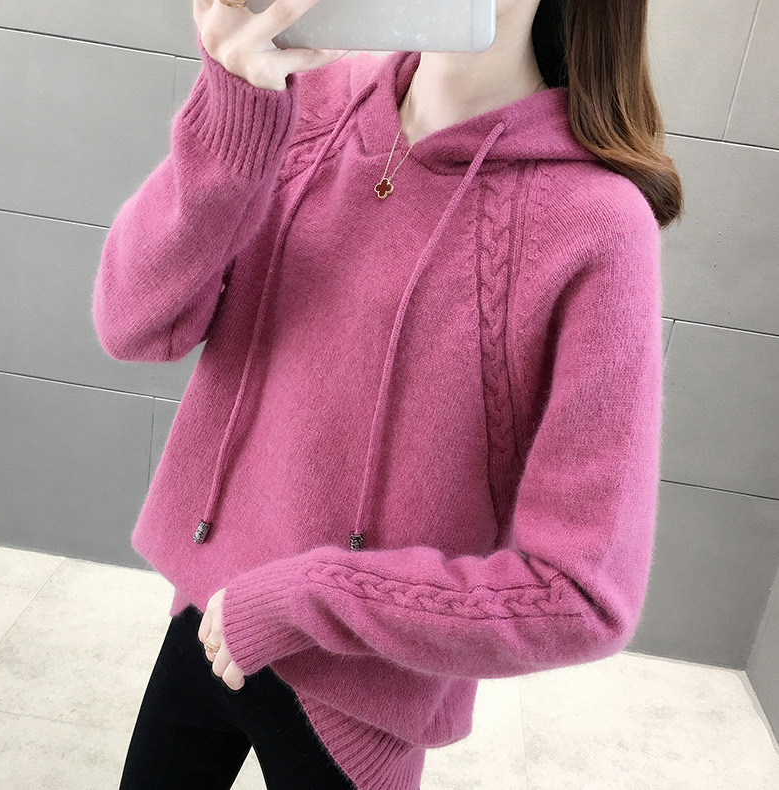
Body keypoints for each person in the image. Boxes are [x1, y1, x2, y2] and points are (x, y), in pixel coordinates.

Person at [94, 0, 683, 787]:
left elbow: (582, 595)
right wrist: (232, 117)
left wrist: (305, 599)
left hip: (358, 708)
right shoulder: (304, 101)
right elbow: (135, 326)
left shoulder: (597, 226)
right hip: (204, 621)